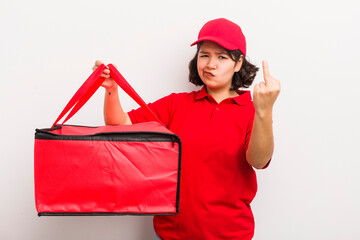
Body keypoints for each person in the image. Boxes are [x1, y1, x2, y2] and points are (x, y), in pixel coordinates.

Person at [93, 18, 280, 240]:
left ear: (238, 63)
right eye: (204, 55)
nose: (210, 64)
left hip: (230, 235)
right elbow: (119, 125)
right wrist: (111, 89)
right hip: (170, 234)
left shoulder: (252, 110)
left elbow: (258, 161)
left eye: (221, 57)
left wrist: (264, 111)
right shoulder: (176, 104)